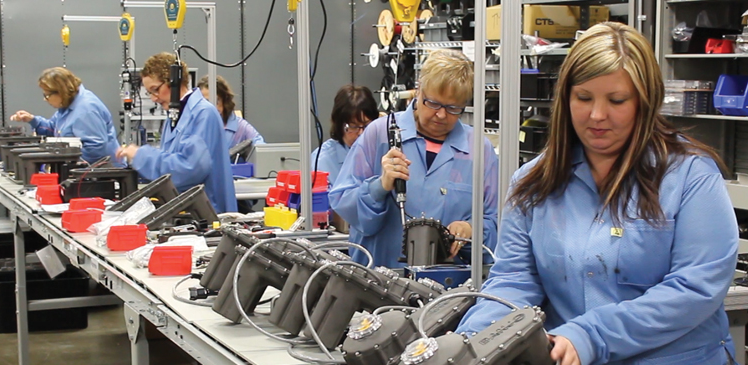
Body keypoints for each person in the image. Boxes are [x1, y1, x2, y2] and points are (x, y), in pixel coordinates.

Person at [456, 22, 738, 365]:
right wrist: (473, 341)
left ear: (644, 102)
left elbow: (695, 289)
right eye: (583, 98)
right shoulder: (533, 182)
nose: (597, 115)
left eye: (616, 100)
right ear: (565, 98)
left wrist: (589, 336)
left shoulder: (690, 176)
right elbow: (514, 280)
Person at [329, 49, 498, 268]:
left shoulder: (478, 150)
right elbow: (343, 202)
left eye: (453, 108)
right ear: (418, 90)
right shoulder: (379, 134)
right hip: (378, 282)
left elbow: (496, 224)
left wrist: (471, 230)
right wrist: (379, 187)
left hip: (448, 289)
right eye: (433, 103)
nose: (441, 115)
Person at [116, 53, 237, 214]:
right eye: (149, 93)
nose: (153, 98)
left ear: (174, 83)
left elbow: (190, 169)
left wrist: (141, 155)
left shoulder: (203, 114)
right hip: (188, 211)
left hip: (207, 212)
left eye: (155, 90)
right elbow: (171, 159)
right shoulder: (175, 116)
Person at [9, 67, 124, 167]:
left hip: (103, 173)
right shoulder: (68, 104)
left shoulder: (86, 110)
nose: (45, 99)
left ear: (60, 92)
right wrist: (33, 120)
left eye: (47, 95)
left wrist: (61, 158)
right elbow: (54, 128)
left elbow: (96, 149)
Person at [310, 84, 379, 186]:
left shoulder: (381, 151)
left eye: (366, 125)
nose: (361, 133)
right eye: (353, 126)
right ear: (339, 124)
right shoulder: (322, 162)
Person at [197, 75, 266, 151]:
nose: (211, 108)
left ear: (225, 101)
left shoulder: (240, 127)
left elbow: (261, 148)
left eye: (216, 101)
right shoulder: (195, 126)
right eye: (206, 102)